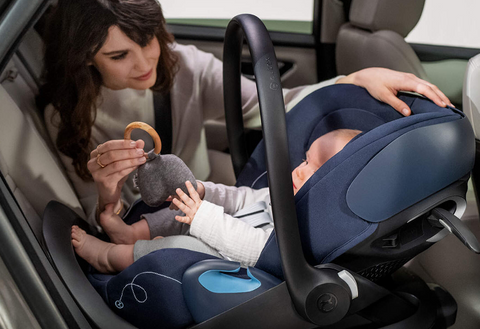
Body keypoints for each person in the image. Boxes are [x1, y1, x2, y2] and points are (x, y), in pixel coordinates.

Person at [41, 0, 453, 230]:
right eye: (118, 55)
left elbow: (273, 104)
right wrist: (107, 194)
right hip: (136, 231)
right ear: (86, 58)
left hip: (204, 202)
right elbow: (95, 221)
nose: (145, 60)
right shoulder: (67, 118)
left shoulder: (182, 66)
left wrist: (354, 79)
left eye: (149, 39)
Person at [71, 129, 361, 273]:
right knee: (180, 213)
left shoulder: (307, 230)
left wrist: (203, 217)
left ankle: (108, 257)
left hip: (232, 266)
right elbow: (243, 197)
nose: (299, 169)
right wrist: (203, 192)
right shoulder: (288, 194)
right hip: (220, 232)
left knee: (181, 244)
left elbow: (258, 250)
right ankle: (129, 234)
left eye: (315, 168)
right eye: (305, 158)